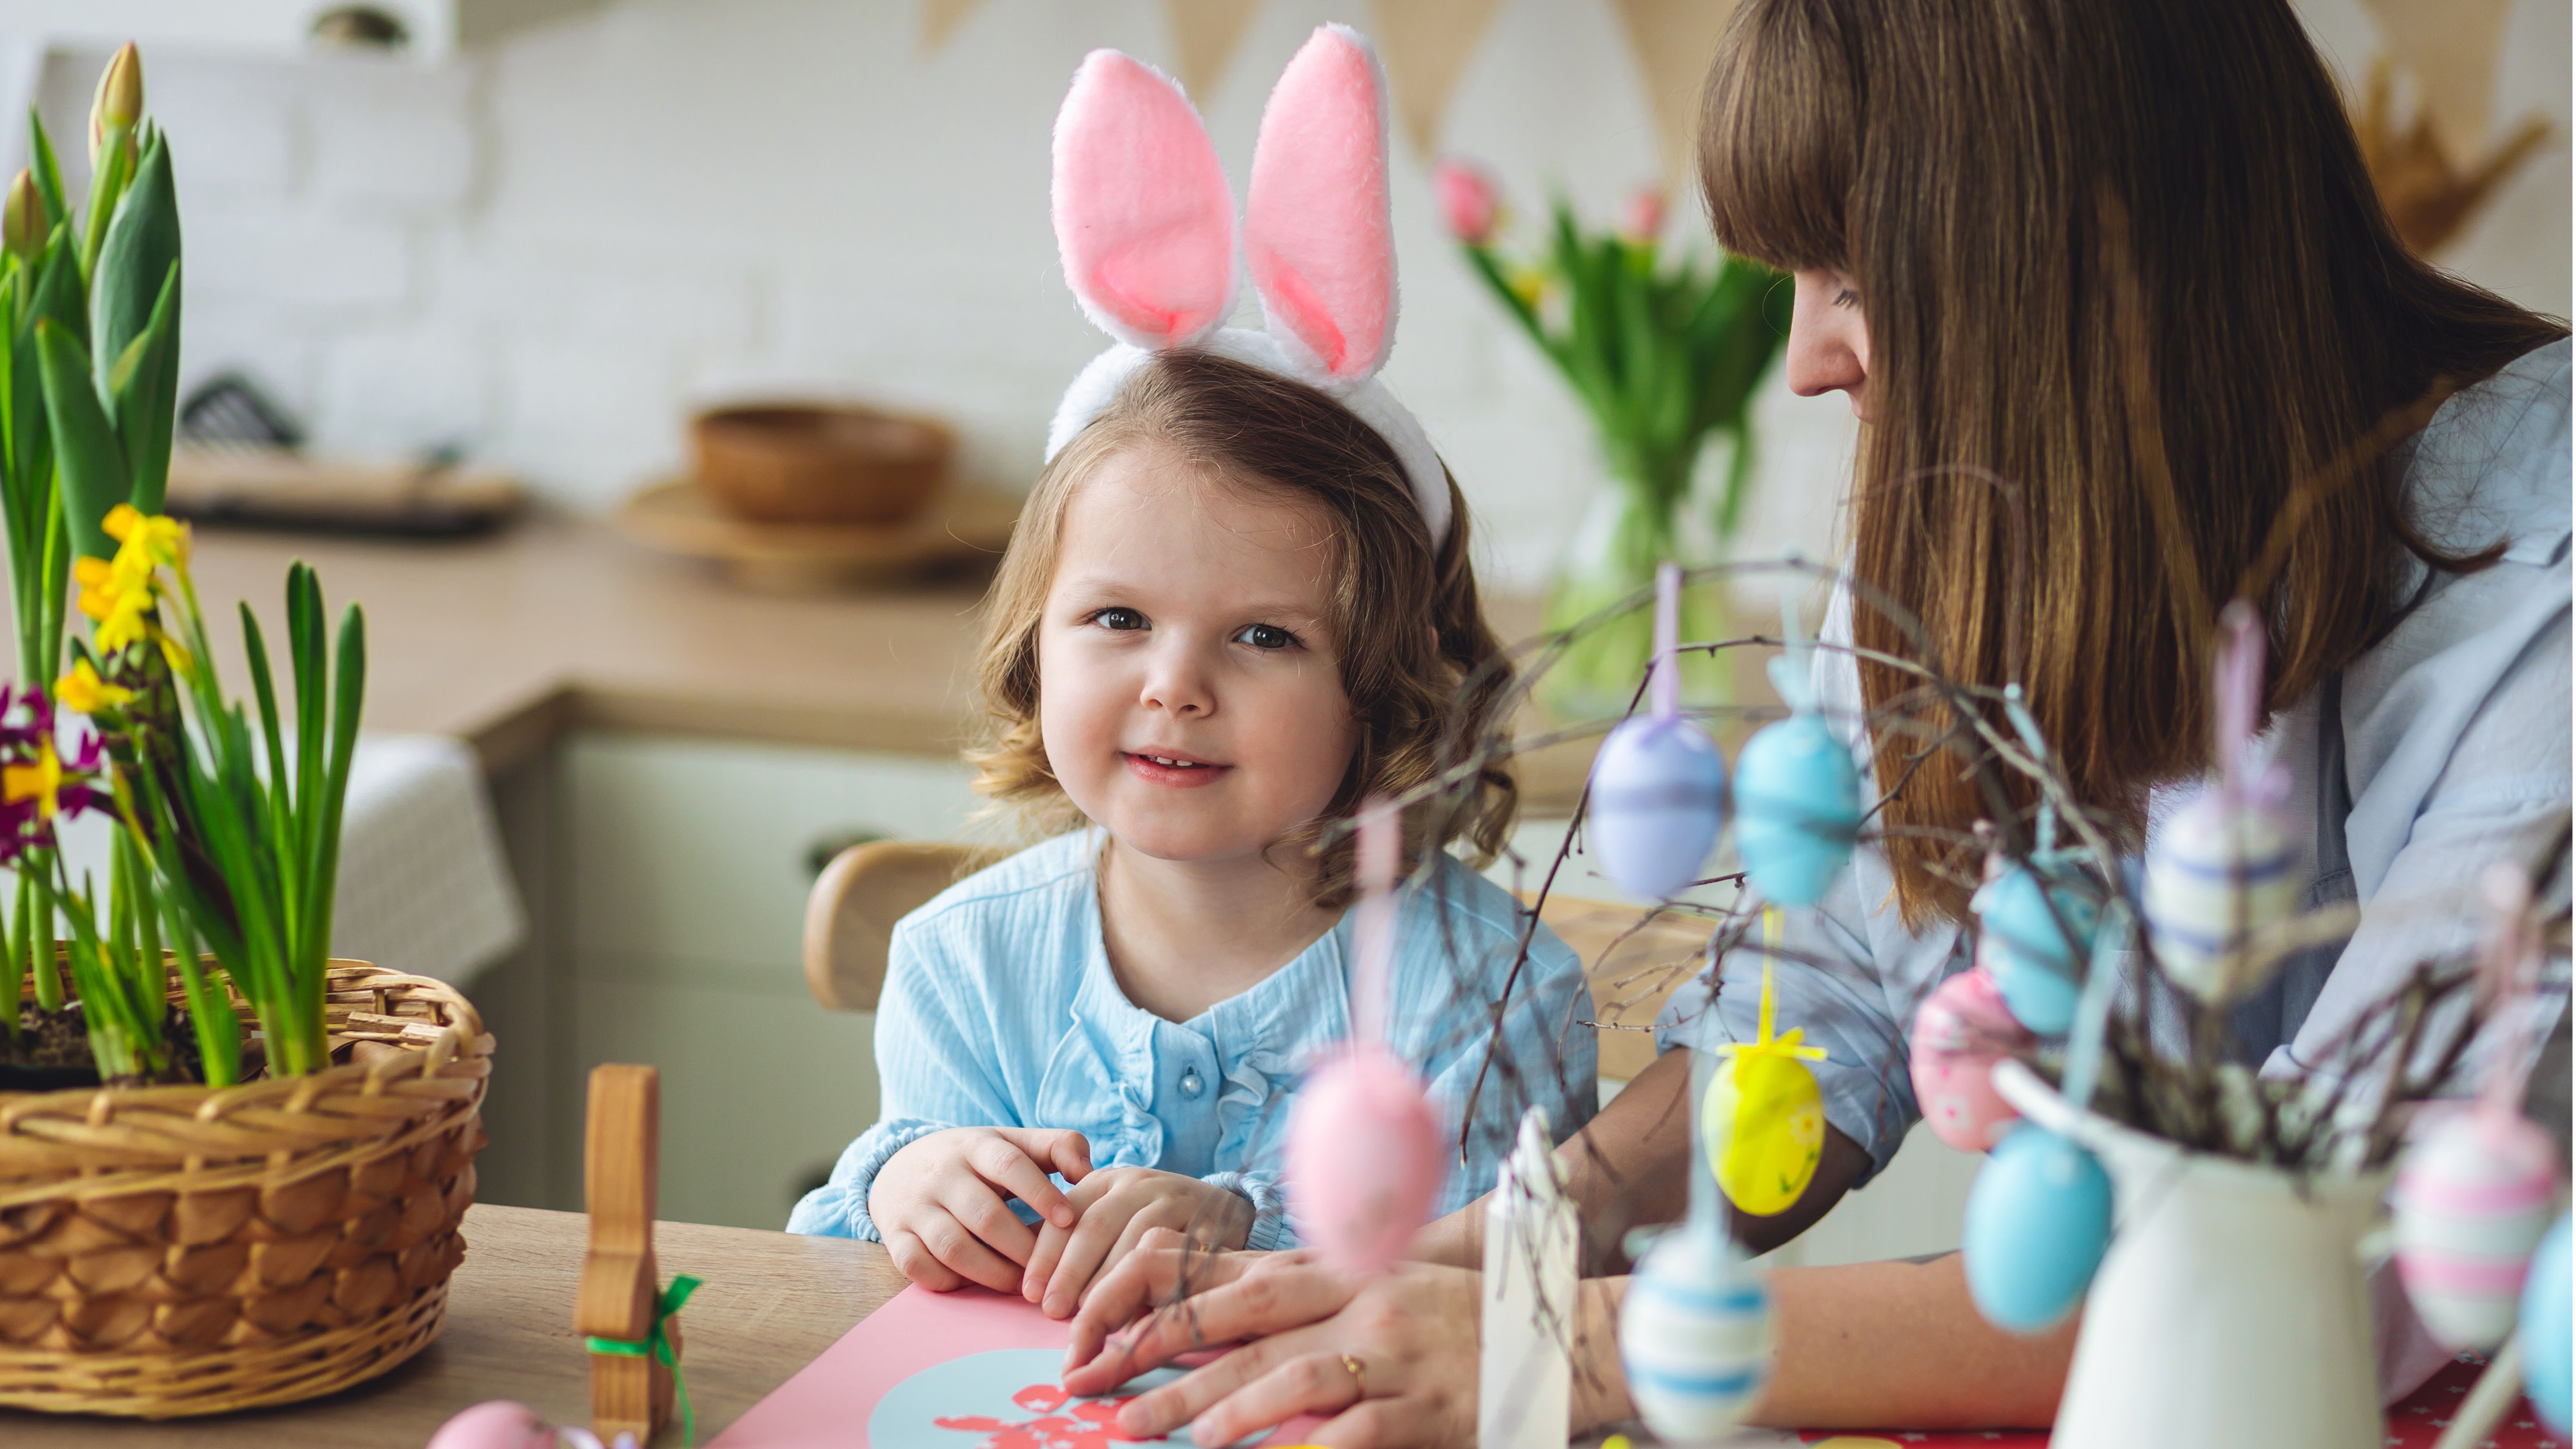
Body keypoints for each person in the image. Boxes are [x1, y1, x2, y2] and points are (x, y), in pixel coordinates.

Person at [1056, 0, 2572, 1439]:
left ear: (2054, 261)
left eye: (1848, 279)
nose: (1804, 360)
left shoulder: (2542, 558)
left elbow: (2317, 1249)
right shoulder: (1994, 502)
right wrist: (1511, 1244)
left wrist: (1575, 1348)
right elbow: (1840, 982)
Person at [788, 31, 1598, 1322]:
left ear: (1381, 688)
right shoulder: (960, 963)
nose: (1175, 685)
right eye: (1115, 617)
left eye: (1264, 637)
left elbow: (1511, 1311)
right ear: (1032, 644)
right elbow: (845, 1289)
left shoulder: (1486, 1002)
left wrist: (1245, 1232)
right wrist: (900, 1183)